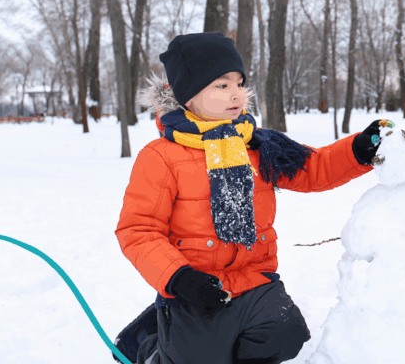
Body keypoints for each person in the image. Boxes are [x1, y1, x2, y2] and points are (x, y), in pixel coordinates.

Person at [114, 32, 390, 364]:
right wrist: (179, 277)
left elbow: (313, 169)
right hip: (194, 287)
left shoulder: (258, 145)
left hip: (254, 279)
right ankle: (152, 346)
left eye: (239, 83)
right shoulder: (161, 157)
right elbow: (138, 230)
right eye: (221, 85)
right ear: (189, 96)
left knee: (287, 334)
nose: (237, 94)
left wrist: (358, 149)